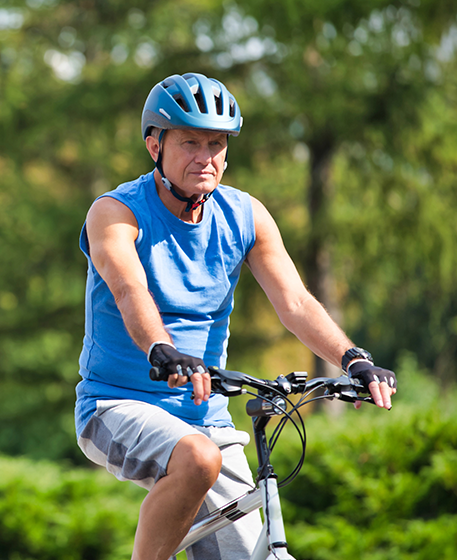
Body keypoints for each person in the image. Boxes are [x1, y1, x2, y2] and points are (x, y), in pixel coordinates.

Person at [74, 72, 397, 560]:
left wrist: (353, 360)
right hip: (117, 406)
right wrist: (161, 349)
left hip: (208, 416)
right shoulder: (116, 212)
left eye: (216, 144)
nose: (205, 157)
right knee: (196, 458)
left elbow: (295, 303)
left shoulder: (245, 215)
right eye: (189, 143)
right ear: (153, 145)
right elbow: (127, 287)